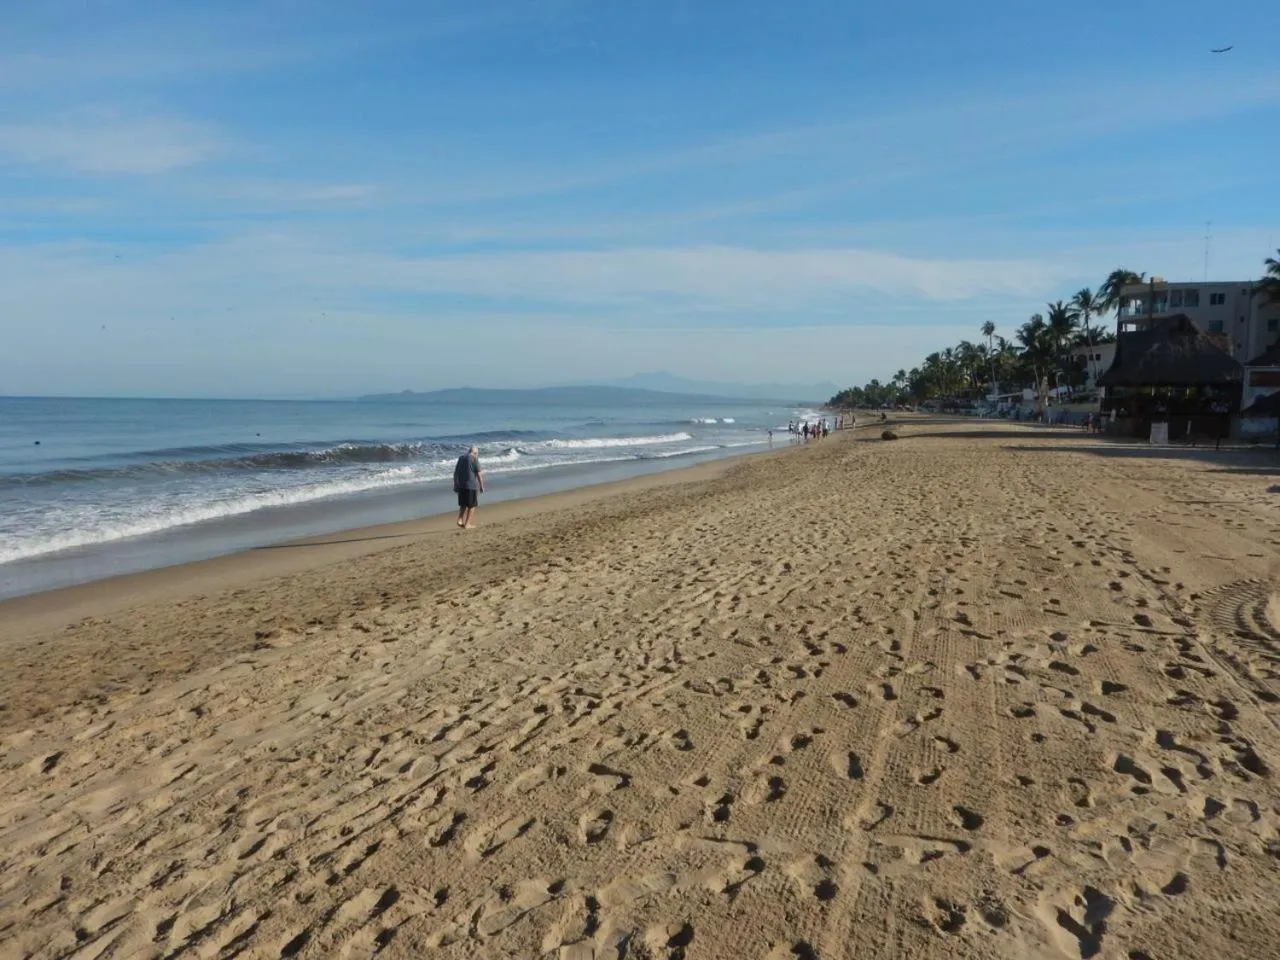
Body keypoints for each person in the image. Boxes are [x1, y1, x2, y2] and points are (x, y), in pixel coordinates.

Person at [453, 446, 485, 529]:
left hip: (461, 486)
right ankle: (467, 524)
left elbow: (455, 473)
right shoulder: (474, 458)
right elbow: (478, 474)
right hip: (471, 486)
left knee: (463, 504)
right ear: (475, 453)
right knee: (472, 506)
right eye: (477, 454)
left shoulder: (461, 458)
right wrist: (481, 486)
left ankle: (460, 519)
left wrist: (455, 484)